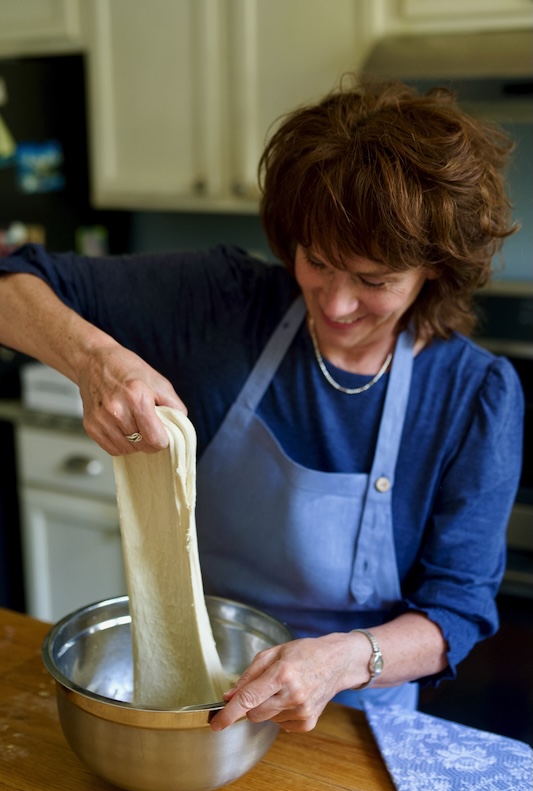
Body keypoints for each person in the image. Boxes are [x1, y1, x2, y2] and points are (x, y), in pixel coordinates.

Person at [0, 76, 523, 734]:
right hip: (198, 696)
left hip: (357, 718)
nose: (334, 304)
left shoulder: (472, 395)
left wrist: (336, 662)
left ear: (434, 271)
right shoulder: (220, 304)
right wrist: (94, 361)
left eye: (373, 280)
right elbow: (13, 280)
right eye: (316, 261)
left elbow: (457, 613)